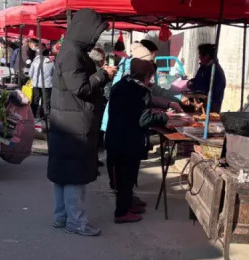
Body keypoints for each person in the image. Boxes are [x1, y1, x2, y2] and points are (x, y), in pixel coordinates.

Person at [47, 9, 116, 237]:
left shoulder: (69, 49)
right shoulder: (72, 53)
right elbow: (81, 88)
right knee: (74, 175)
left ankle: (61, 217)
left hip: (66, 121)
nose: (96, 39)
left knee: (63, 174)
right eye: (95, 33)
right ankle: (76, 221)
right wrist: (103, 74)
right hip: (74, 124)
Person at [105, 56, 167, 224]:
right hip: (129, 141)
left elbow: (131, 111)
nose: (151, 79)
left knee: (123, 177)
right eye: (150, 76)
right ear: (145, 76)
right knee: (126, 177)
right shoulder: (141, 91)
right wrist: (163, 118)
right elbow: (144, 120)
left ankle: (128, 205)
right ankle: (122, 212)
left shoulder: (121, 84)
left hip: (114, 137)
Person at [188, 42, 225, 112]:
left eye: (200, 55)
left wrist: (192, 85)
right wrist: (191, 82)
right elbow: (197, 80)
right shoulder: (204, 67)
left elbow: (204, 87)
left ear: (206, 56)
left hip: (211, 107)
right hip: (201, 104)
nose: (199, 57)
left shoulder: (215, 71)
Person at [28, 48, 53, 120]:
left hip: (36, 84)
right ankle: (44, 116)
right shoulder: (51, 63)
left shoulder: (35, 62)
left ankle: (32, 115)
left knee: (35, 100)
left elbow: (30, 74)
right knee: (45, 101)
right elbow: (54, 73)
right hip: (47, 85)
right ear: (47, 54)